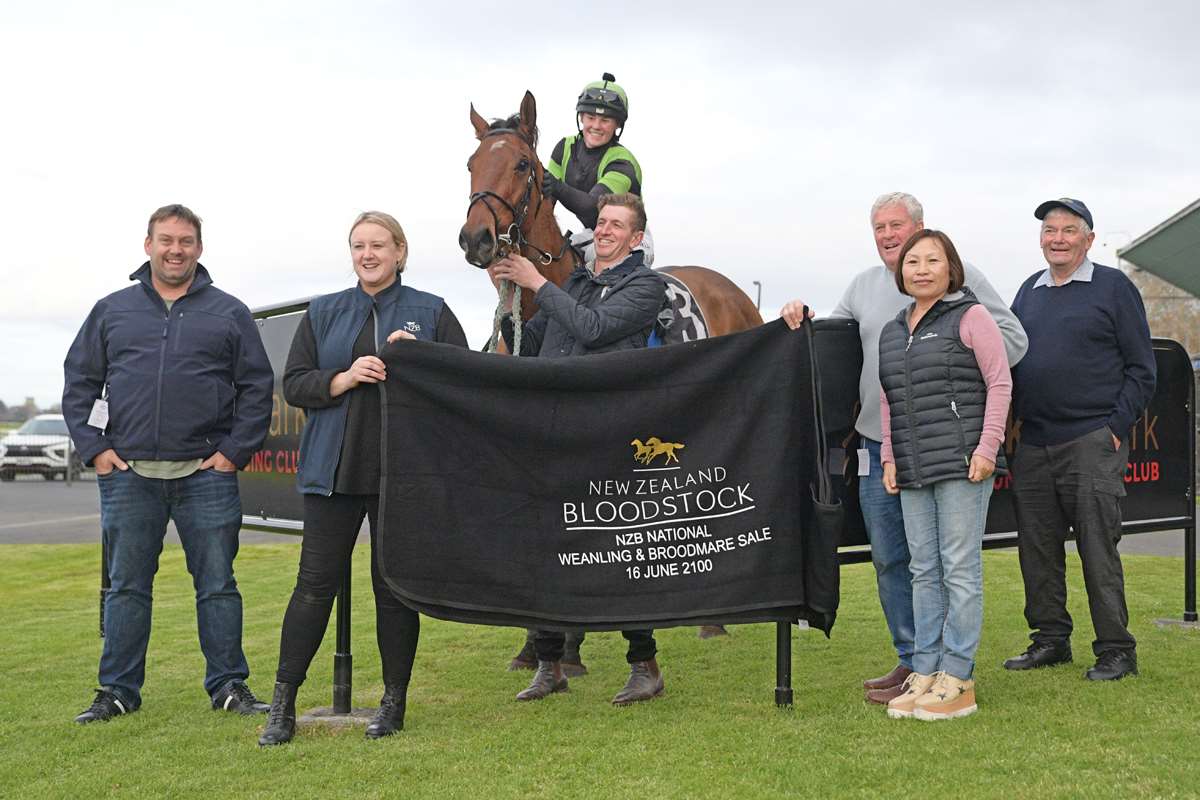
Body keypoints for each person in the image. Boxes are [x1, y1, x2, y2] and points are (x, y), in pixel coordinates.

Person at [780, 192, 1027, 705]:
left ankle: (952, 670)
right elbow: (831, 339)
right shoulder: (866, 287)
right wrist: (800, 315)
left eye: (898, 225)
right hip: (881, 446)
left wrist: (954, 380)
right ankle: (915, 662)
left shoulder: (963, 281)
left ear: (921, 228)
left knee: (950, 562)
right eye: (879, 228)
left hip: (950, 444)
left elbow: (1012, 341)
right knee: (895, 561)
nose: (889, 236)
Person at [258, 212, 469, 746]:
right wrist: (345, 377)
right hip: (333, 470)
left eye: (378, 245)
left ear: (400, 251)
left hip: (402, 472)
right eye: (358, 246)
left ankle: (392, 702)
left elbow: (464, 381)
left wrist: (417, 357)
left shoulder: (432, 310)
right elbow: (295, 384)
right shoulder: (325, 311)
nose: (367, 255)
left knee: (392, 589)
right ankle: (282, 704)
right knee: (313, 588)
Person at [63, 204, 274, 724]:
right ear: (148, 245)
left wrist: (232, 453)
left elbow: (257, 389)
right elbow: (79, 385)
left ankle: (228, 686)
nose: (175, 249)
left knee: (218, 586)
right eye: (166, 240)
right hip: (129, 478)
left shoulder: (228, 313)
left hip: (206, 477)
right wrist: (96, 448)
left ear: (199, 249)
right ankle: (117, 692)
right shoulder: (111, 310)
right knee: (127, 588)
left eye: (185, 241)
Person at [489, 192, 666, 705]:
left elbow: (594, 330)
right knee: (542, 550)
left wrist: (539, 284)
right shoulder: (578, 282)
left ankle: (645, 664)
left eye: (616, 225)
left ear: (636, 239)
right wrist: (509, 298)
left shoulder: (645, 285)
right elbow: (531, 340)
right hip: (552, 432)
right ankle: (550, 664)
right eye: (601, 223)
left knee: (617, 550)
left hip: (607, 435)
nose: (604, 230)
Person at [1003, 198, 1155, 682]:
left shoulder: (1113, 287)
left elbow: (1142, 369)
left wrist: (1114, 428)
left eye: (1070, 230)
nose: (1058, 238)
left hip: (1091, 438)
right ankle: (1050, 640)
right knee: (1038, 549)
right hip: (1035, 444)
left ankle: (1116, 649)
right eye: (1050, 230)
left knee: (1097, 547)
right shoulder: (1029, 291)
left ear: (1088, 239)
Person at [876, 230, 1011, 721]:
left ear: (951, 268)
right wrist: (890, 456)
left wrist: (987, 447)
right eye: (913, 261)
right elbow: (891, 401)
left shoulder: (971, 316)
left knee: (959, 570)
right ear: (901, 271)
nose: (922, 269)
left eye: (933, 260)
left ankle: (958, 678)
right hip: (912, 466)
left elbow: (1000, 382)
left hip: (963, 463)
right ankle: (927, 671)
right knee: (922, 571)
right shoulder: (893, 331)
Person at [543, 72, 653, 265]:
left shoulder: (623, 161)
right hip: (592, 234)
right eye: (590, 117)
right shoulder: (564, 148)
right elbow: (545, 202)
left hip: (631, 240)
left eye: (605, 120)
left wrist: (557, 186)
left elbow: (592, 206)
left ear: (617, 125)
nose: (596, 126)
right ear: (581, 118)